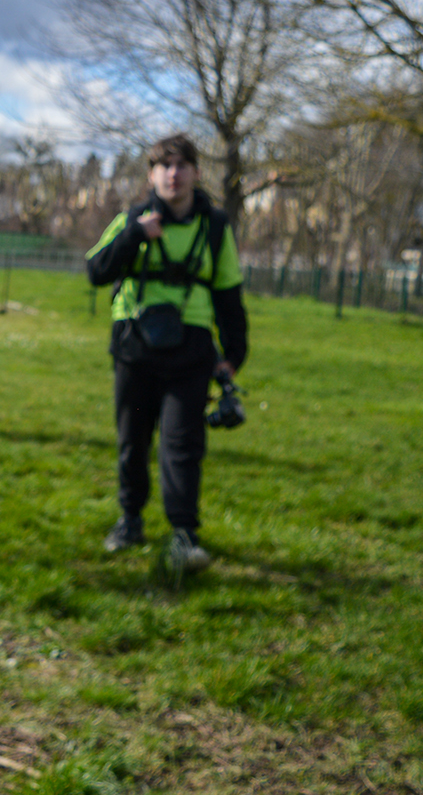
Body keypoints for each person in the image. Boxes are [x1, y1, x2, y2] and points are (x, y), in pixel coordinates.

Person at [85, 133, 248, 573]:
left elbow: (229, 295)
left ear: (196, 172)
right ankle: (130, 520)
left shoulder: (214, 227)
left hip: (191, 349)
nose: (173, 174)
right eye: (164, 166)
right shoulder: (130, 219)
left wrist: (234, 354)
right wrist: (134, 236)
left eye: (181, 166)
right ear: (152, 175)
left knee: (182, 443)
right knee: (132, 440)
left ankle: (183, 534)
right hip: (134, 346)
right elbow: (96, 272)